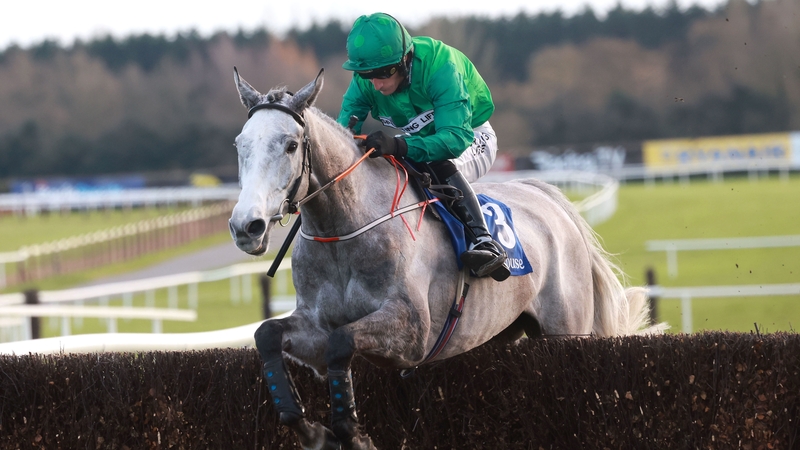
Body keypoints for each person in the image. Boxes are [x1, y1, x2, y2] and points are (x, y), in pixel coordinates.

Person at [337, 12, 510, 282]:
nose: (376, 83)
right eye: (367, 75)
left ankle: (484, 241)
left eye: (383, 74)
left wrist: (398, 145)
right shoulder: (368, 79)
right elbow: (343, 134)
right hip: (419, 144)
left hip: (470, 137)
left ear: (405, 59)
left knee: (436, 164)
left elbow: (453, 140)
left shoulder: (442, 66)